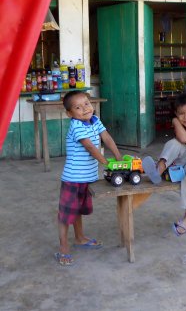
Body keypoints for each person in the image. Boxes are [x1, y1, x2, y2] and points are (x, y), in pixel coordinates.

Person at [55, 91, 122, 266]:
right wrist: (108, 164)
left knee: (78, 210)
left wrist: (119, 158)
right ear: (70, 114)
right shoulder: (76, 125)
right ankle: (63, 247)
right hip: (73, 178)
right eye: (78, 107)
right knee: (66, 215)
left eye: (86, 103)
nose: (84, 109)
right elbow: (91, 148)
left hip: (87, 178)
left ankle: (79, 238)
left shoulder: (95, 120)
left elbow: (106, 138)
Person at [142, 92, 186, 236]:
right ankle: (159, 170)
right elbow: (181, 139)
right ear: (176, 114)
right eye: (181, 114)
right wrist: (176, 122)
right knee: (174, 143)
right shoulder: (182, 123)